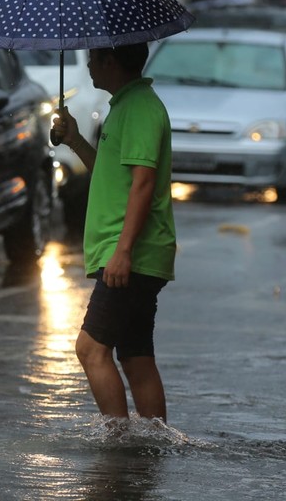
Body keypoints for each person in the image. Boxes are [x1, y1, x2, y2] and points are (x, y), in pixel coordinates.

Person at [51, 42, 177, 425]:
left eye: (92, 58)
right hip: (134, 253)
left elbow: (143, 183)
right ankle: (152, 443)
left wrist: (122, 253)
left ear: (111, 61)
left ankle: (120, 444)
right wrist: (73, 139)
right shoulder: (125, 105)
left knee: (90, 349)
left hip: (131, 254)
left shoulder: (139, 108)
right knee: (135, 356)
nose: (88, 65)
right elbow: (109, 172)